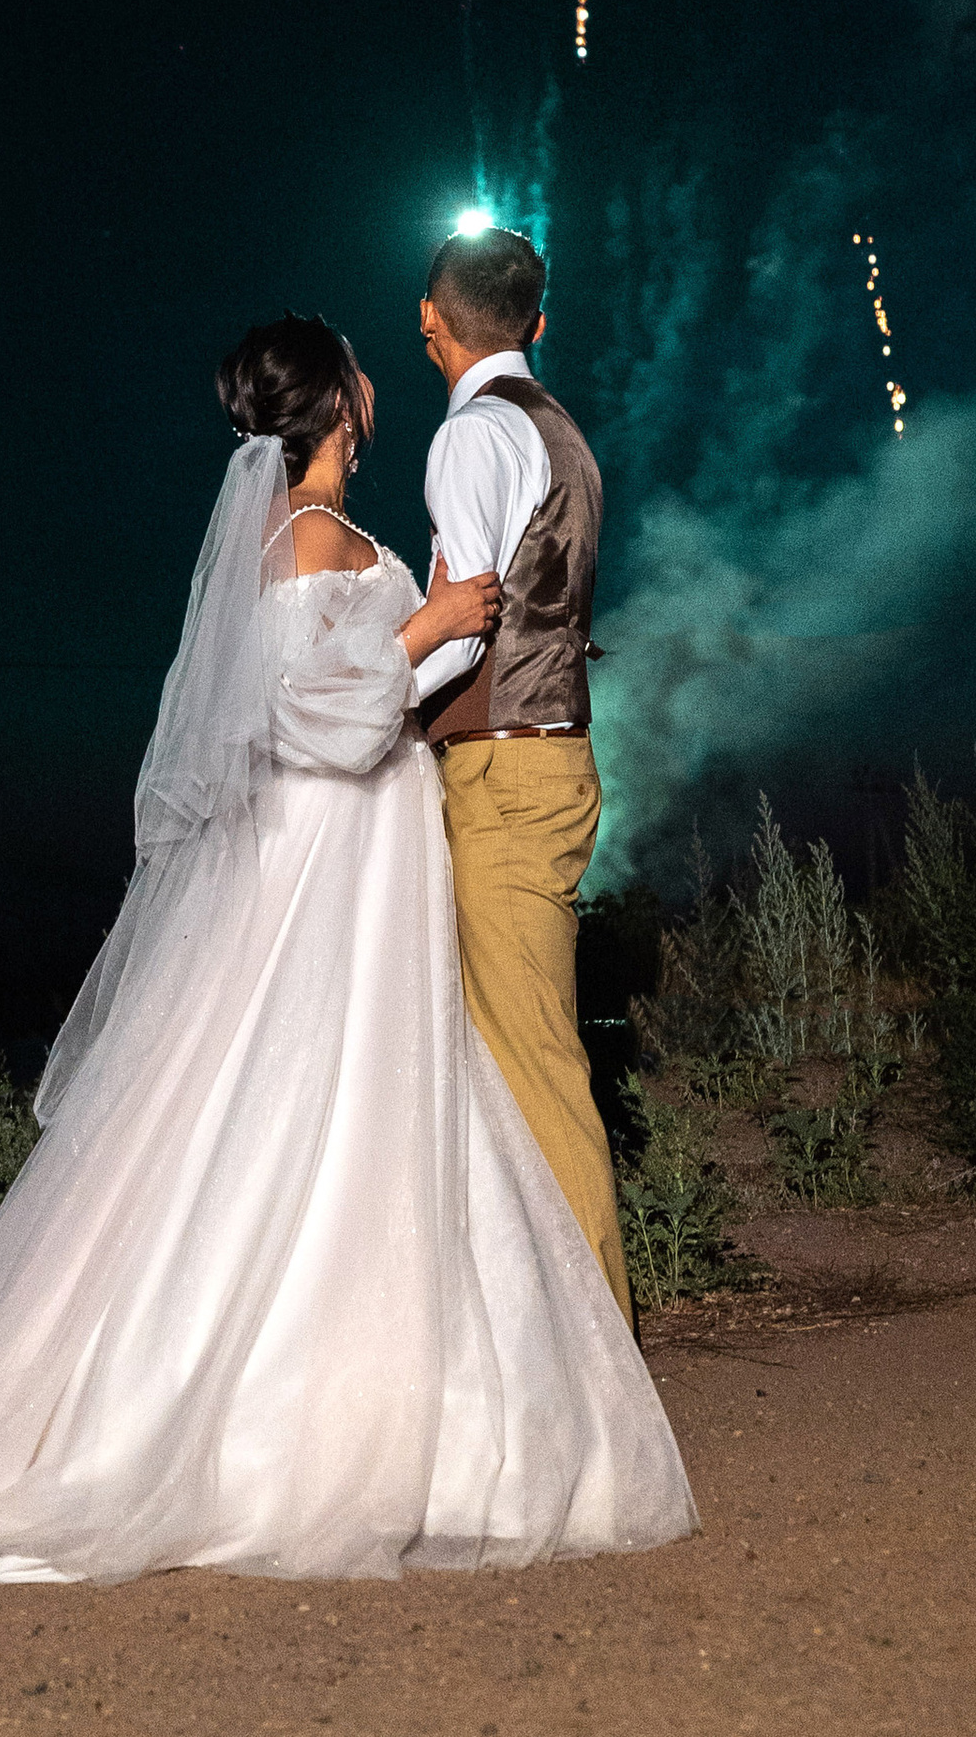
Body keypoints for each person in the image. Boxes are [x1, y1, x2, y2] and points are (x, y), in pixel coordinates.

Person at [0, 313, 695, 1585]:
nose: (378, 381)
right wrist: (430, 619)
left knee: (332, 1097)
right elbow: (314, 716)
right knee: (317, 1095)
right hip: (330, 853)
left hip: (348, 854)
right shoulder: (316, 542)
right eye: (360, 366)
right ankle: (291, 1411)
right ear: (340, 401)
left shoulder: (303, 537)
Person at [409, 225, 633, 1323]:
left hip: (501, 770)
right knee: (512, 1057)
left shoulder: (473, 436)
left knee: (534, 1068)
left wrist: (357, 689)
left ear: (427, 319)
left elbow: (465, 623)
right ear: (537, 322)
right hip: (549, 759)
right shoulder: (565, 436)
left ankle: (599, 1353)